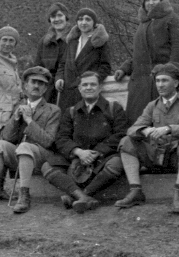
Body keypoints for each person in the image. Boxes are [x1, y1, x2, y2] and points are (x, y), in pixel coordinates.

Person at [0, 66, 61, 214]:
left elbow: (48, 141)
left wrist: (29, 121)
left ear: (45, 88)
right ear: (26, 86)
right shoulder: (19, 107)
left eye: (41, 83)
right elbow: (8, 138)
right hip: (21, 156)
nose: (36, 86)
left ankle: (24, 195)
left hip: (41, 157)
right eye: (33, 82)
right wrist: (16, 118)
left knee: (25, 146)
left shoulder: (53, 110)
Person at [114, 63, 179, 214]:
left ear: (176, 83)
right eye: (158, 81)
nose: (160, 85)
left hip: (178, 158)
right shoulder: (152, 105)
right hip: (156, 156)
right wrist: (146, 130)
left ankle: (178, 193)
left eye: (165, 80)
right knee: (126, 141)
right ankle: (135, 191)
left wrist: (169, 129)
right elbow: (132, 129)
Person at [42, 69, 126, 213]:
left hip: (103, 158)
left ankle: (82, 195)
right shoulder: (71, 111)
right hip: (77, 158)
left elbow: (121, 134)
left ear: (100, 87)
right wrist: (79, 152)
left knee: (117, 163)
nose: (89, 88)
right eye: (85, 85)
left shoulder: (114, 108)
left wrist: (97, 152)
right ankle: (82, 197)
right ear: (80, 89)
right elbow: (62, 138)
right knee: (46, 166)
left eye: (93, 85)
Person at [113, 0, 179, 127]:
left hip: (159, 81)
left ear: (161, 1)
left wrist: (171, 75)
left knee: (160, 123)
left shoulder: (172, 19)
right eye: (148, 0)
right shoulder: (143, 23)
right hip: (139, 83)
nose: (151, 2)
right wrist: (125, 68)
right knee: (136, 124)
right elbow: (139, 55)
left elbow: (178, 52)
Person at [55, 7, 112, 112]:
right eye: (80, 19)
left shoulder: (99, 42)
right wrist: (59, 78)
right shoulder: (72, 41)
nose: (83, 22)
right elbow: (63, 64)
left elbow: (106, 66)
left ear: (94, 22)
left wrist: (93, 80)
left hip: (87, 91)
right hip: (67, 92)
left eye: (87, 19)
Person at [33, 2, 71, 105]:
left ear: (66, 17)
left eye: (60, 15)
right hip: (47, 90)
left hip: (67, 87)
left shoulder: (74, 38)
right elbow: (37, 67)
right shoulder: (44, 42)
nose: (57, 19)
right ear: (50, 20)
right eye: (53, 16)